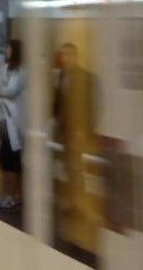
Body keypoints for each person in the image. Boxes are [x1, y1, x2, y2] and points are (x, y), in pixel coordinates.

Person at [53, 42, 97, 219]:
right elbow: (59, 102)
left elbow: (90, 106)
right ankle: (73, 201)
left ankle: (79, 204)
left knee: (76, 168)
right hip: (65, 130)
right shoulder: (62, 75)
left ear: (75, 56)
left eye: (68, 54)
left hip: (78, 131)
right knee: (69, 167)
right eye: (62, 55)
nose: (65, 58)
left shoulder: (84, 77)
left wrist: (85, 130)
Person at [0, 39, 24, 210]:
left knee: (10, 160)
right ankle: (5, 193)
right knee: (2, 159)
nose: (7, 51)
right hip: (4, 119)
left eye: (9, 48)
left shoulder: (23, 71)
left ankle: (12, 195)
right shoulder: (6, 69)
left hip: (15, 124)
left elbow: (11, 90)